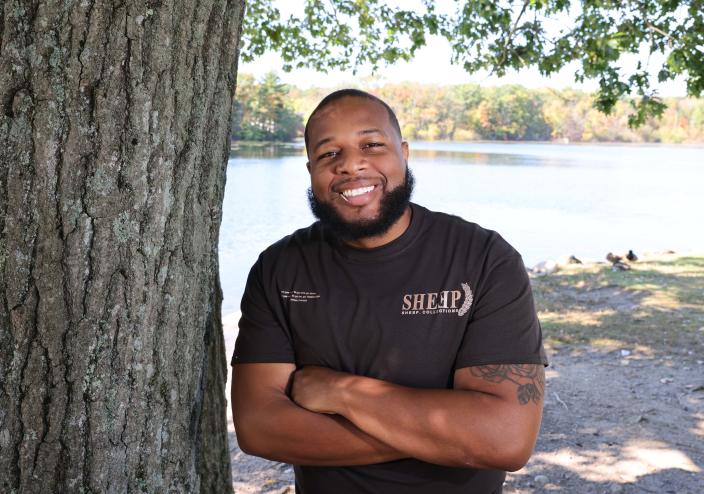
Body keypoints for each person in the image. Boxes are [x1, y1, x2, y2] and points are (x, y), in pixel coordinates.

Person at [230, 89, 548, 494]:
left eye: (371, 145)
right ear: (310, 168)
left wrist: (342, 393)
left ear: (404, 152)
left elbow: (505, 439)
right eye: (329, 154)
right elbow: (259, 428)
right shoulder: (280, 269)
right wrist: (440, 435)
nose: (351, 165)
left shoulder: (484, 259)